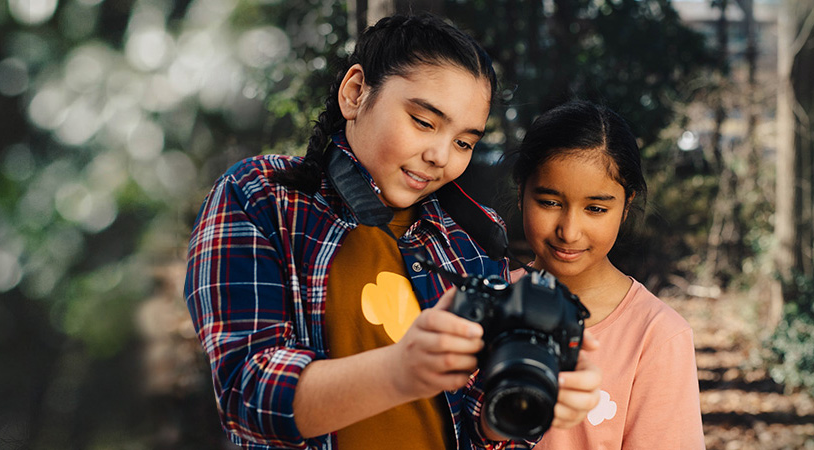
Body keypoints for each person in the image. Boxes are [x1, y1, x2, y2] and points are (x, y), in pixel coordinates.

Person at [184, 13, 602, 450]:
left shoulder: (474, 237)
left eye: (464, 142)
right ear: (356, 93)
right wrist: (399, 371)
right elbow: (247, 394)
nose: (441, 156)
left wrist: (523, 402)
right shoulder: (263, 197)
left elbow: (478, 426)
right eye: (424, 122)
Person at [508, 100, 705, 449]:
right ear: (521, 191)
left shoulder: (656, 336)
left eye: (595, 209)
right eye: (550, 202)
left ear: (626, 206)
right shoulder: (484, 302)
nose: (569, 231)